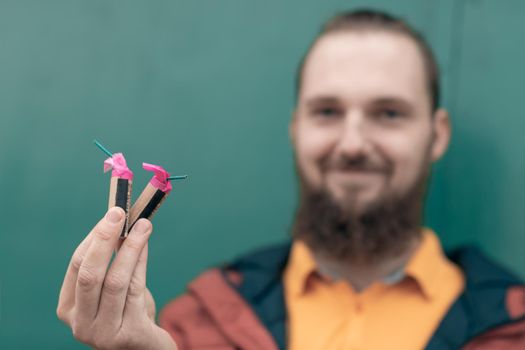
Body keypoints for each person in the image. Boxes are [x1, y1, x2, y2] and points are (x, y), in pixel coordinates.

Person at [57, 9, 525, 350]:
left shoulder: (512, 328)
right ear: (296, 128)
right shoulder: (195, 327)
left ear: (436, 134)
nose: (353, 142)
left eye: (388, 113)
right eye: (327, 111)